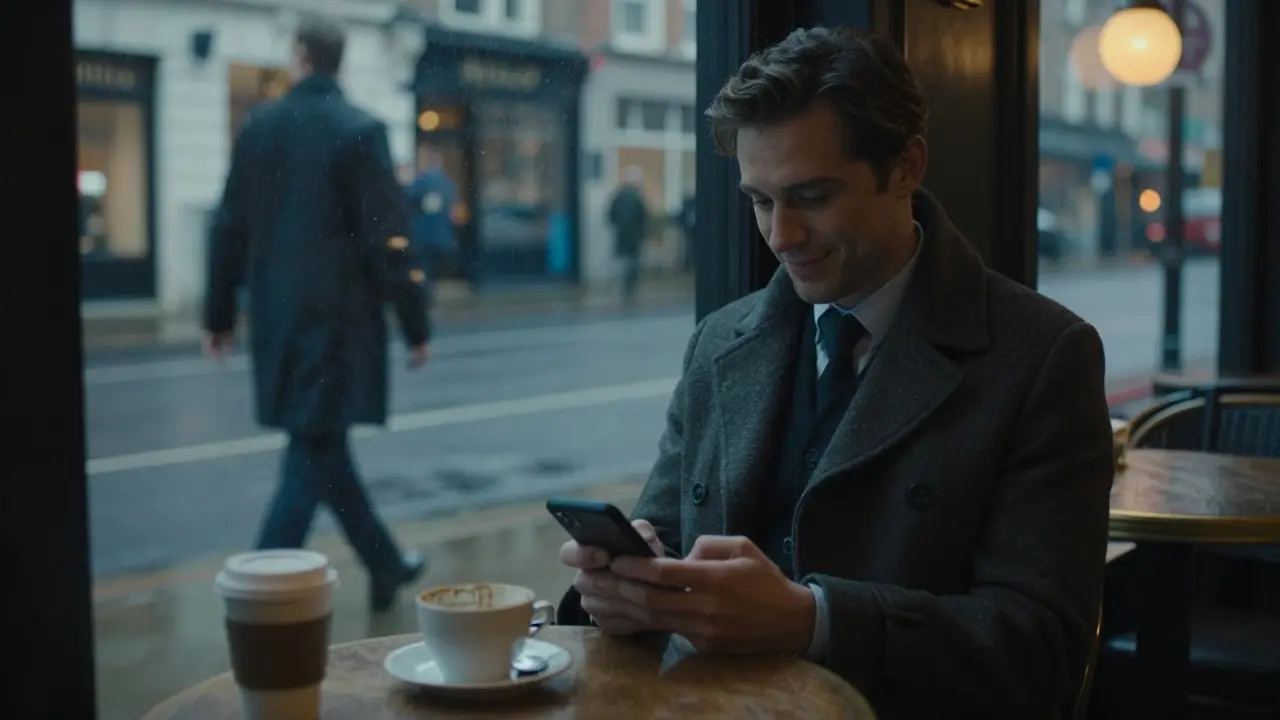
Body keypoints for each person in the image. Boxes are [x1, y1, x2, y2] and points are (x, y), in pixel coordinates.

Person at [556, 26, 1114, 718]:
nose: (781, 236)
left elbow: (1044, 653)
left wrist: (813, 619)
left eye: (812, 196)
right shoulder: (719, 341)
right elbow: (665, 532)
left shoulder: (1041, 355)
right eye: (760, 201)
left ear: (906, 166)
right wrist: (627, 584)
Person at [202, 15, 429, 613]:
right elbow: (390, 240)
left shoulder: (258, 127)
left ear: (300, 57)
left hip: (278, 319)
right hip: (341, 325)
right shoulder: (361, 130)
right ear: (338, 60)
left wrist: (218, 315)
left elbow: (228, 226)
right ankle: (260, 592)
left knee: (319, 447)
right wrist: (414, 323)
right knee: (313, 455)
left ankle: (386, 563)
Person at [607, 165, 649, 302]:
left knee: (624, 263)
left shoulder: (618, 197)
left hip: (622, 237)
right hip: (633, 238)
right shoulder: (636, 198)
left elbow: (611, 216)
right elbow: (643, 218)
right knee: (632, 264)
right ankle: (629, 289)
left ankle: (624, 288)